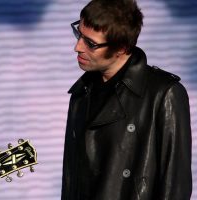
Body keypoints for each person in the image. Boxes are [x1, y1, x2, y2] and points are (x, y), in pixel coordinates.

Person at [62, 0, 192, 199]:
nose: (77, 47)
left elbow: (175, 187)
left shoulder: (164, 94)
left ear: (121, 48)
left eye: (90, 43)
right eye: (79, 34)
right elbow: (72, 182)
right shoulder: (81, 94)